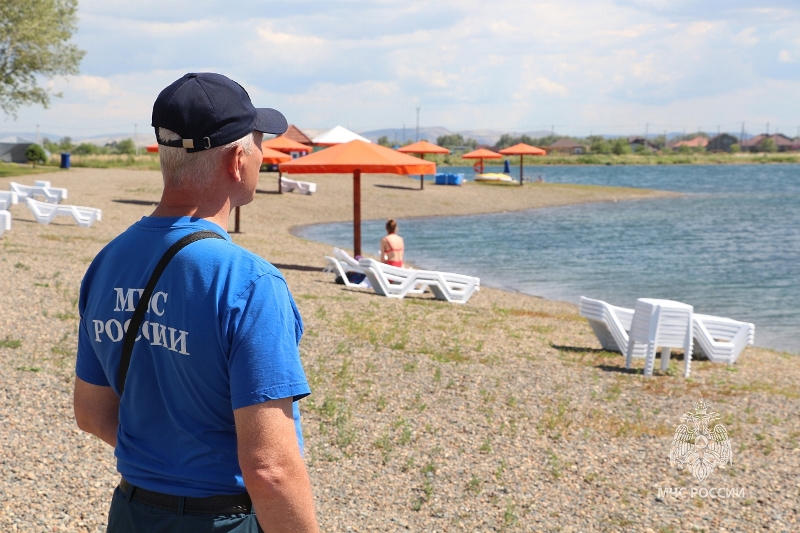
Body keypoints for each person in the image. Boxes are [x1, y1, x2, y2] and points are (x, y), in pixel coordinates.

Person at [73, 73, 319, 533]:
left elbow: (91, 413)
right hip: (221, 521)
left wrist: (164, 460)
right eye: (260, 143)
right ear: (236, 160)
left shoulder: (108, 261)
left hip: (132, 514)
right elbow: (270, 468)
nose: (263, 157)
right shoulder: (249, 282)